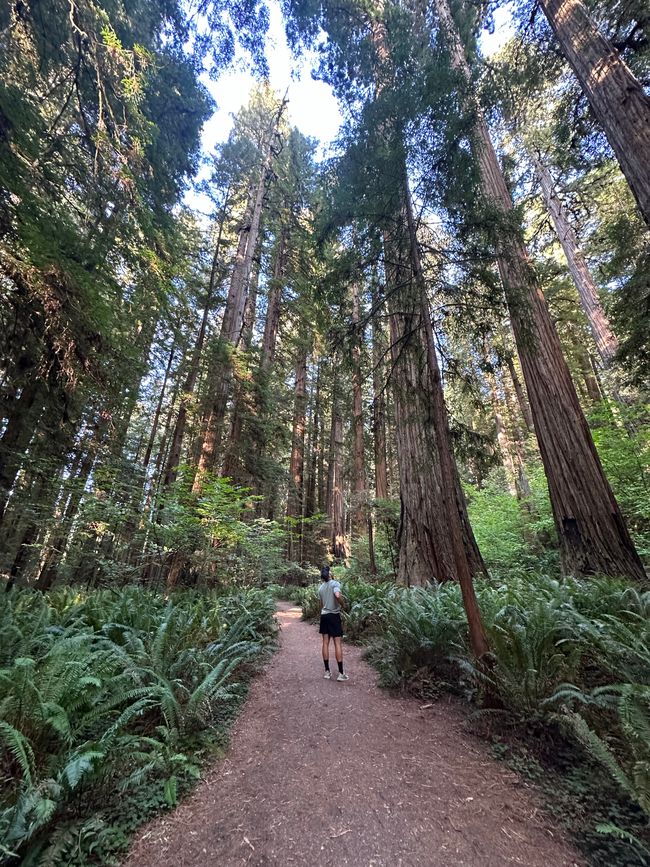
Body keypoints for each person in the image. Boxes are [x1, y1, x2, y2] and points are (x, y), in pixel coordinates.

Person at [318, 565, 348, 681]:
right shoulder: (335, 584)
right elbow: (337, 595)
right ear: (329, 574)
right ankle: (341, 674)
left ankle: (327, 672)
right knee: (337, 643)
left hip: (324, 616)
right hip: (334, 616)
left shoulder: (320, 588)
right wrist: (343, 604)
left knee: (325, 643)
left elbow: (320, 604)